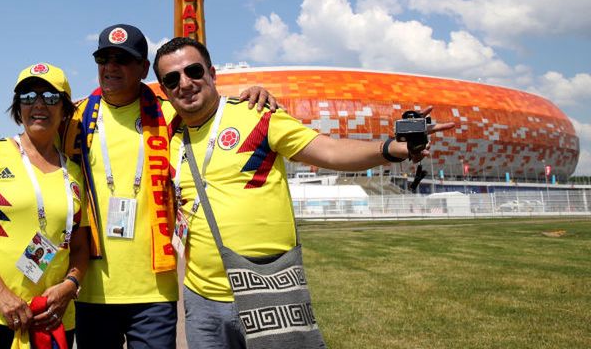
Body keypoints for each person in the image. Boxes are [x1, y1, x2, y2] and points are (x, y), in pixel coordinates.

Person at [0, 24, 279, 349]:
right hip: (92, 291)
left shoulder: (170, 114)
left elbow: (214, 113)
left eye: (123, 59)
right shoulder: (75, 118)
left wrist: (255, 94)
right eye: (104, 59)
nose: (111, 67)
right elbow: (28, 144)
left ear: (143, 68)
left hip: (154, 292)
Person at [152, 37, 455, 348]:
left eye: (193, 71)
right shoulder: (167, 133)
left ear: (212, 73)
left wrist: (392, 148)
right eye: (172, 79)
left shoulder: (257, 114)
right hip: (201, 300)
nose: (184, 83)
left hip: (270, 288)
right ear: (163, 89)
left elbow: (330, 151)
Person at [0, 63, 90, 349]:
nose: (38, 105)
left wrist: (70, 286)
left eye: (50, 97)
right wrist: (2, 295)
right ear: (18, 107)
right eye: (28, 97)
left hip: (48, 318)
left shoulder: (75, 172)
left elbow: (80, 245)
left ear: (64, 109)